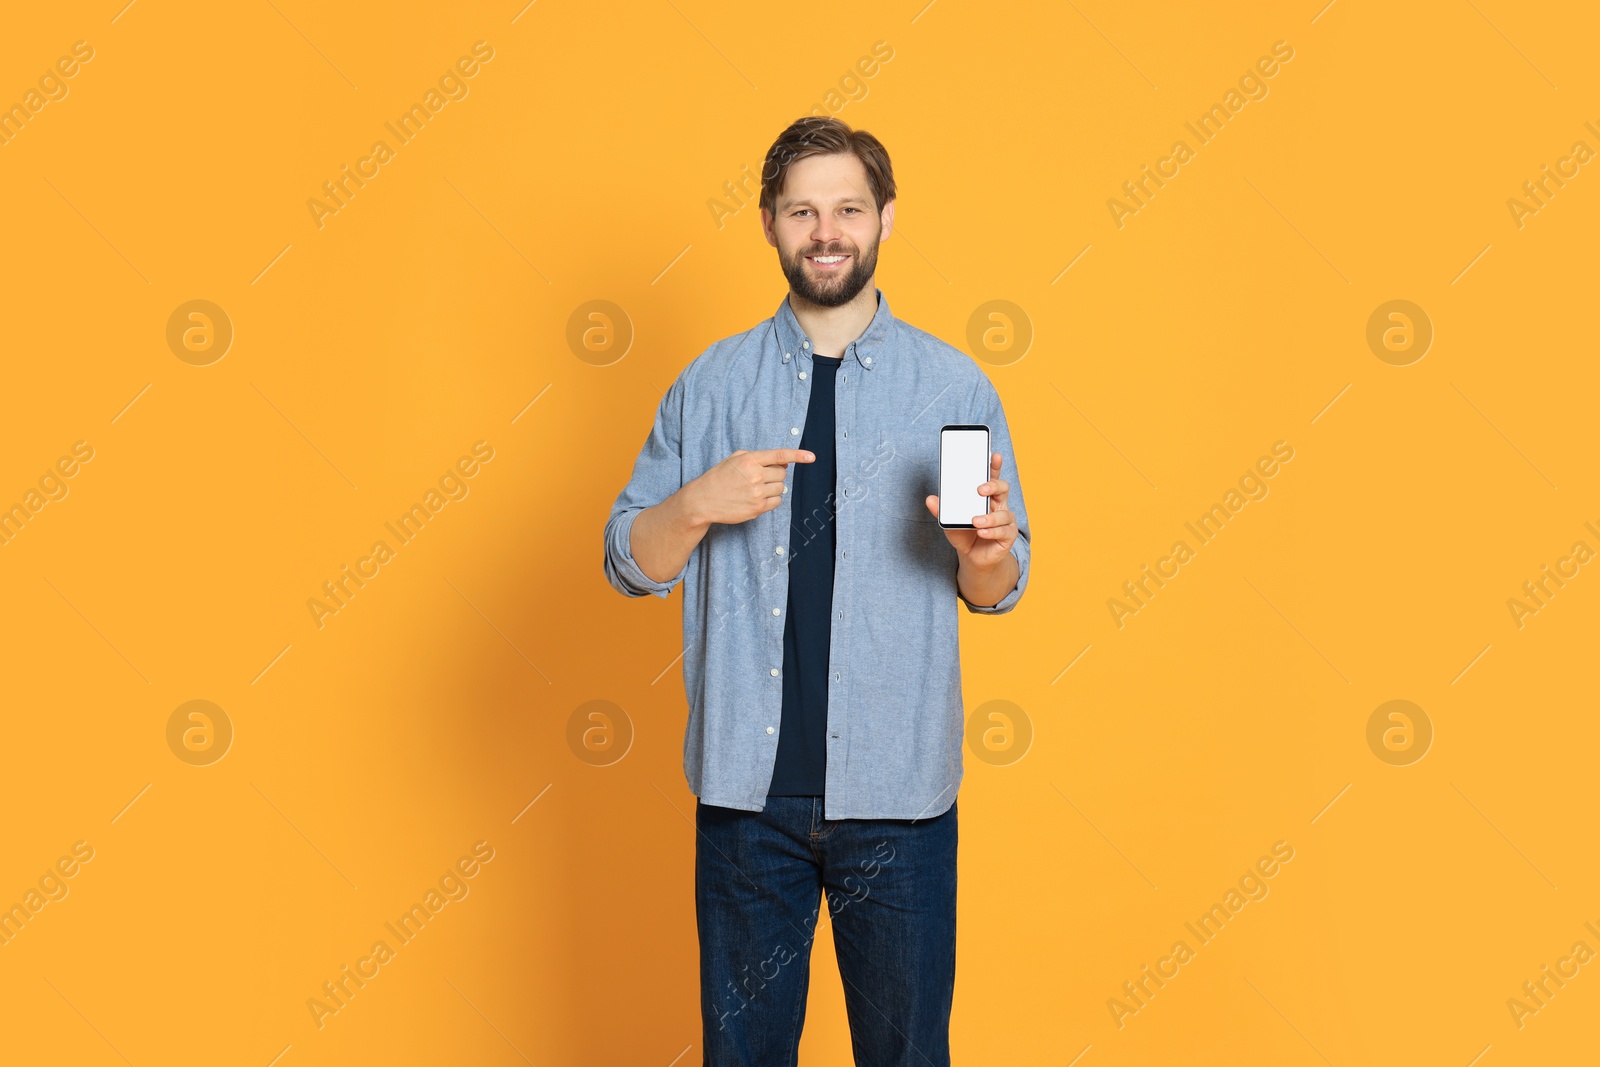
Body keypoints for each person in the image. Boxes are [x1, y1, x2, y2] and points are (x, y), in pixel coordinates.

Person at [602, 114, 1032, 1066]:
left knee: (908, 1053)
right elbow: (630, 560)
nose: (825, 231)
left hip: (901, 804)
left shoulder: (953, 386)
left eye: (846, 208)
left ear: (884, 217)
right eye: (803, 211)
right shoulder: (708, 386)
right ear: (769, 224)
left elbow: (998, 588)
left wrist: (983, 547)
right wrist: (699, 501)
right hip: (748, 807)